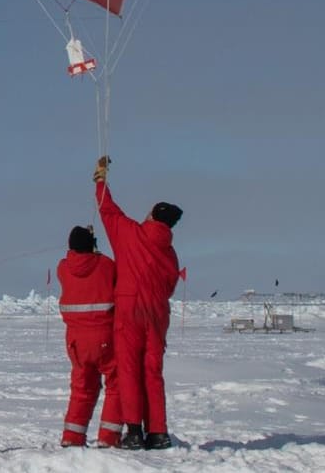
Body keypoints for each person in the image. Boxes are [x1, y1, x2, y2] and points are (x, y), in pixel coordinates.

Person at [95, 156, 180, 451]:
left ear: (153, 216)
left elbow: (108, 209)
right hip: (157, 314)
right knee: (152, 371)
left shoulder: (131, 234)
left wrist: (100, 180)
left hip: (130, 311)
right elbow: (169, 285)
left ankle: (133, 431)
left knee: (129, 369)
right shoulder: (169, 253)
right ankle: (158, 432)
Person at [58, 225, 122, 447]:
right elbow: (111, 273)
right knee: (117, 384)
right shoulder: (105, 265)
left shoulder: (63, 268)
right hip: (104, 336)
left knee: (81, 388)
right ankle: (109, 436)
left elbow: (75, 264)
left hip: (75, 342)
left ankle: (72, 437)